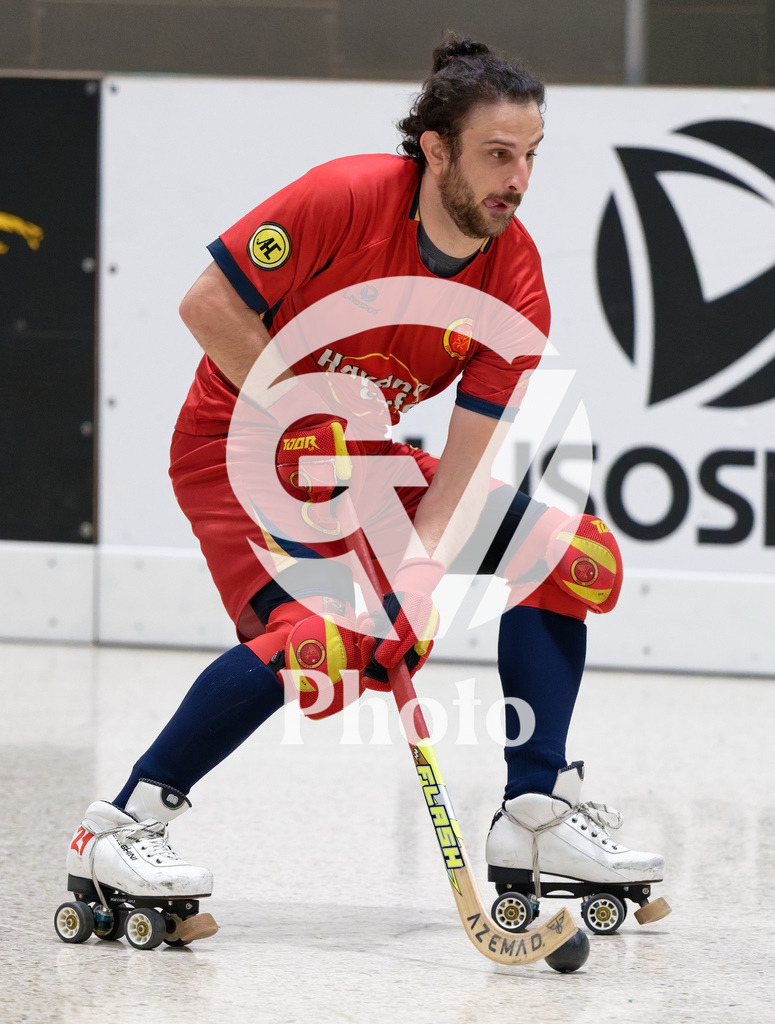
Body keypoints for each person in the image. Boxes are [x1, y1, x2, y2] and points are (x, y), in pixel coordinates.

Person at [63, 34, 664, 942]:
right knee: (325, 645)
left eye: (531, 156)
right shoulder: (343, 197)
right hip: (237, 450)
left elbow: (463, 467)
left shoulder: (515, 279)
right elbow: (206, 305)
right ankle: (118, 827)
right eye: (497, 154)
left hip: (362, 462)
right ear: (436, 149)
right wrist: (300, 407)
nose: (517, 180)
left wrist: (412, 581)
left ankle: (535, 812)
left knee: (571, 558)